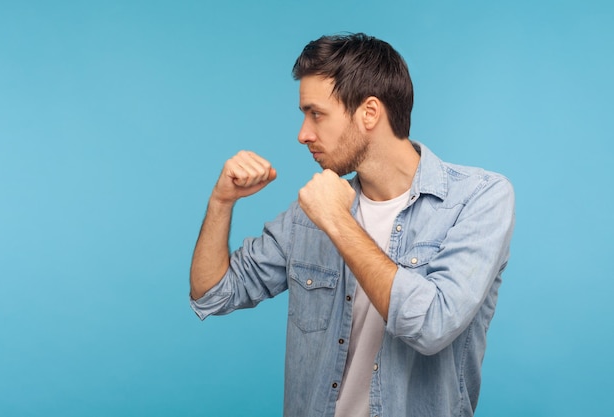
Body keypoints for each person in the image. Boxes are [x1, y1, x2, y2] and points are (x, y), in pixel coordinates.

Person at [189, 33, 515, 417]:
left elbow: (431, 325)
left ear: (370, 113)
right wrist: (221, 202)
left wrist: (337, 222)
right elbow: (213, 293)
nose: (303, 134)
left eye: (316, 114)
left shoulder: (479, 198)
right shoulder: (309, 212)